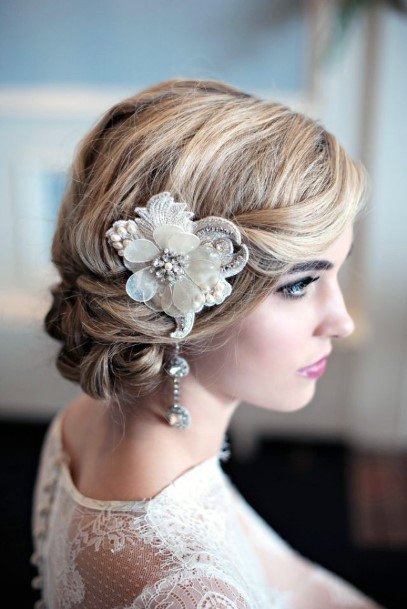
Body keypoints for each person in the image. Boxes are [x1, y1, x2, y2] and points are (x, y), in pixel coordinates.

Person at [31, 78, 385, 609]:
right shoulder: (190, 590)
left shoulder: (86, 419)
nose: (340, 322)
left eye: (336, 272)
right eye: (298, 286)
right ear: (184, 301)